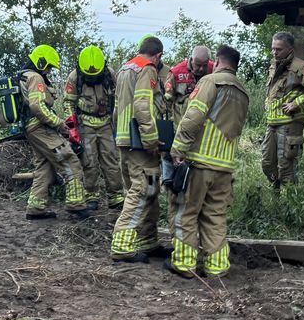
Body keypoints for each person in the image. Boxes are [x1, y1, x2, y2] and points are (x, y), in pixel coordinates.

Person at [166, 45, 249, 279]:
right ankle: (217, 268)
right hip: (224, 166)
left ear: (218, 62)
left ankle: (184, 265)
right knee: (215, 216)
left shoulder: (210, 82)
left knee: (185, 212)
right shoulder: (243, 92)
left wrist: (178, 149)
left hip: (199, 163)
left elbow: (193, 117)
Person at [111, 36, 165, 262]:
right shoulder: (148, 68)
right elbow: (143, 105)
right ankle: (122, 245)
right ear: (158, 55)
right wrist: (151, 140)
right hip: (141, 143)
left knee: (149, 188)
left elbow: (116, 108)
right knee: (143, 188)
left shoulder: (125, 69)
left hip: (125, 138)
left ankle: (147, 240)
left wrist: (119, 135)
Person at [21, 45, 91, 220]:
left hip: (31, 128)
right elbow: (37, 106)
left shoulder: (24, 76)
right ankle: (76, 205)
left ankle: (35, 209)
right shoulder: (36, 77)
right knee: (69, 161)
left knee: (44, 166)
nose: (49, 71)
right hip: (41, 128)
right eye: (49, 67)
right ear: (41, 62)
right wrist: (59, 123)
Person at [260, 31, 304, 189]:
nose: (274, 52)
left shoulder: (302, 67)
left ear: (290, 49)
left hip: (290, 123)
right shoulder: (274, 66)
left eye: (279, 49)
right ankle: (276, 193)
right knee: (267, 164)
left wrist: (297, 103)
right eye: (273, 48)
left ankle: (288, 200)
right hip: (272, 123)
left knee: (286, 166)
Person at [64, 46, 123, 208]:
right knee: (89, 161)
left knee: (111, 160)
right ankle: (91, 196)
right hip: (85, 123)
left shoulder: (109, 74)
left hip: (106, 123)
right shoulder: (75, 76)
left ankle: (116, 196)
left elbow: (118, 98)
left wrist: (118, 121)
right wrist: (72, 128)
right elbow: (68, 102)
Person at [164, 45, 214, 128]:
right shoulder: (176, 73)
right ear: (192, 59)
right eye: (198, 65)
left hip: (206, 125)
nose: (201, 69)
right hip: (181, 125)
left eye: (205, 65)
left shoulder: (214, 70)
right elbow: (167, 101)